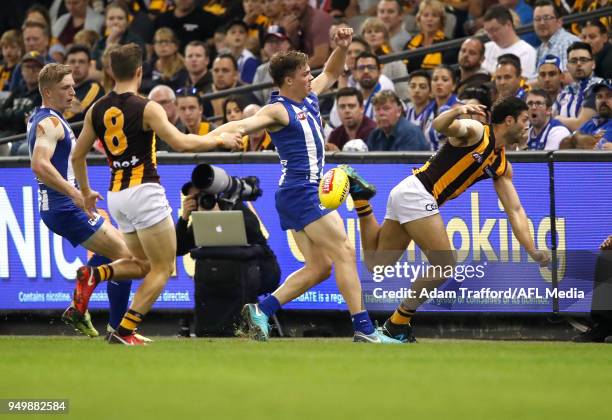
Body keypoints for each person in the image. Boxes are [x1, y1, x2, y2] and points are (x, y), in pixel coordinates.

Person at [211, 28, 401, 343]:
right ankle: (365, 329)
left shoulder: (308, 98)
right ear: (289, 81)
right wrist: (214, 137)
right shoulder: (277, 109)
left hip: (299, 192)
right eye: (305, 74)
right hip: (302, 191)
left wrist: (342, 47)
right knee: (343, 251)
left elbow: (332, 70)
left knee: (320, 267)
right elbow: (242, 125)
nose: (311, 77)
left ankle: (262, 310)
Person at [70, 43, 243, 345]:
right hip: (145, 191)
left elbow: (77, 156)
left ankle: (95, 275)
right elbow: (182, 143)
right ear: (139, 72)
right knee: (163, 268)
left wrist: (85, 192)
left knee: (142, 265)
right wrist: (221, 139)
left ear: (110, 72)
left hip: (117, 195)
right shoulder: (147, 107)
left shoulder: (96, 109)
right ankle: (125, 331)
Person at [340, 96, 551, 342]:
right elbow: (439, 126)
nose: (528, 125)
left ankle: (362, 200)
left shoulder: (500, 163)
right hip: (418, 194)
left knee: (377, 264)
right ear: (509, 120)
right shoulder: (476, 132)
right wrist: (458, 111)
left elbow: (515, 210)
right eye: (525, 120)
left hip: (408, 192)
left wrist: (532, 249)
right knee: (445, 264)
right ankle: (397, 324)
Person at [27, 63, 145, 340]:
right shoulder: (49, 122)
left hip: (60, 208)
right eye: (65, 87)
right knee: (128, 258)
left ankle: (81, 303)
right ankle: (119, 329)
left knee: (123, 252)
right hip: (64, 208)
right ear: (47, 91)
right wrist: (75, 194)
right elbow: (39, 165)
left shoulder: (49, 118)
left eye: (72, 86)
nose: (72, 92)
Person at [176, 180, 281, 336]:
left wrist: (219, 215)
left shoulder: (233, 206)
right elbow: (178, 248)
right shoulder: (200, 220)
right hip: (218, 275)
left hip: (258, 268)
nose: (201, 200)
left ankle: (246, 325)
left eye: (202, 195)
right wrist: (184, 218)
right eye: (194, 198)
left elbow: (255, 233)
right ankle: (209, 330)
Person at [555, 42, 601, 131]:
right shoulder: (565, 91)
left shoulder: (599, 87)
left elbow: (581, 125)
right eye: (573, 61)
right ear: (567, 66)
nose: (579, 64)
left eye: (583, 60)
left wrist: (557, 118)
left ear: (593, 64)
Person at [482, 5, 536, 79]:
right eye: (488, 31)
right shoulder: (485, 48)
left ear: (508, 24)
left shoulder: (527, 52)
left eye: (494, 30)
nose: (491, 36)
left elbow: (523, 82)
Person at [533, 0, 579, 70]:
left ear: (559, 22)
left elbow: (566, 77)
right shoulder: (541, 49)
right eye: (537, 19)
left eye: (546, 18)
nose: (542, 23)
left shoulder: (567, 42)